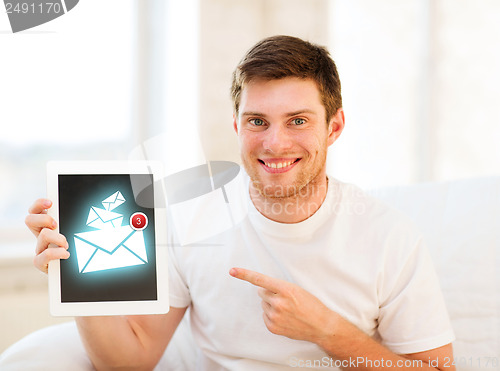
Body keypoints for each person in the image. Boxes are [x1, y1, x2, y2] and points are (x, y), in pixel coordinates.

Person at [25, 35, 456, 370]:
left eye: (298, 121)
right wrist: (74, 279)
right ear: (236, 125)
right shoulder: (192, 218)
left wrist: (328, 330)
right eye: (257, 121)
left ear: (335, 126)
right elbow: (129, 361)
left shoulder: (389, 236)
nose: (275, 142)